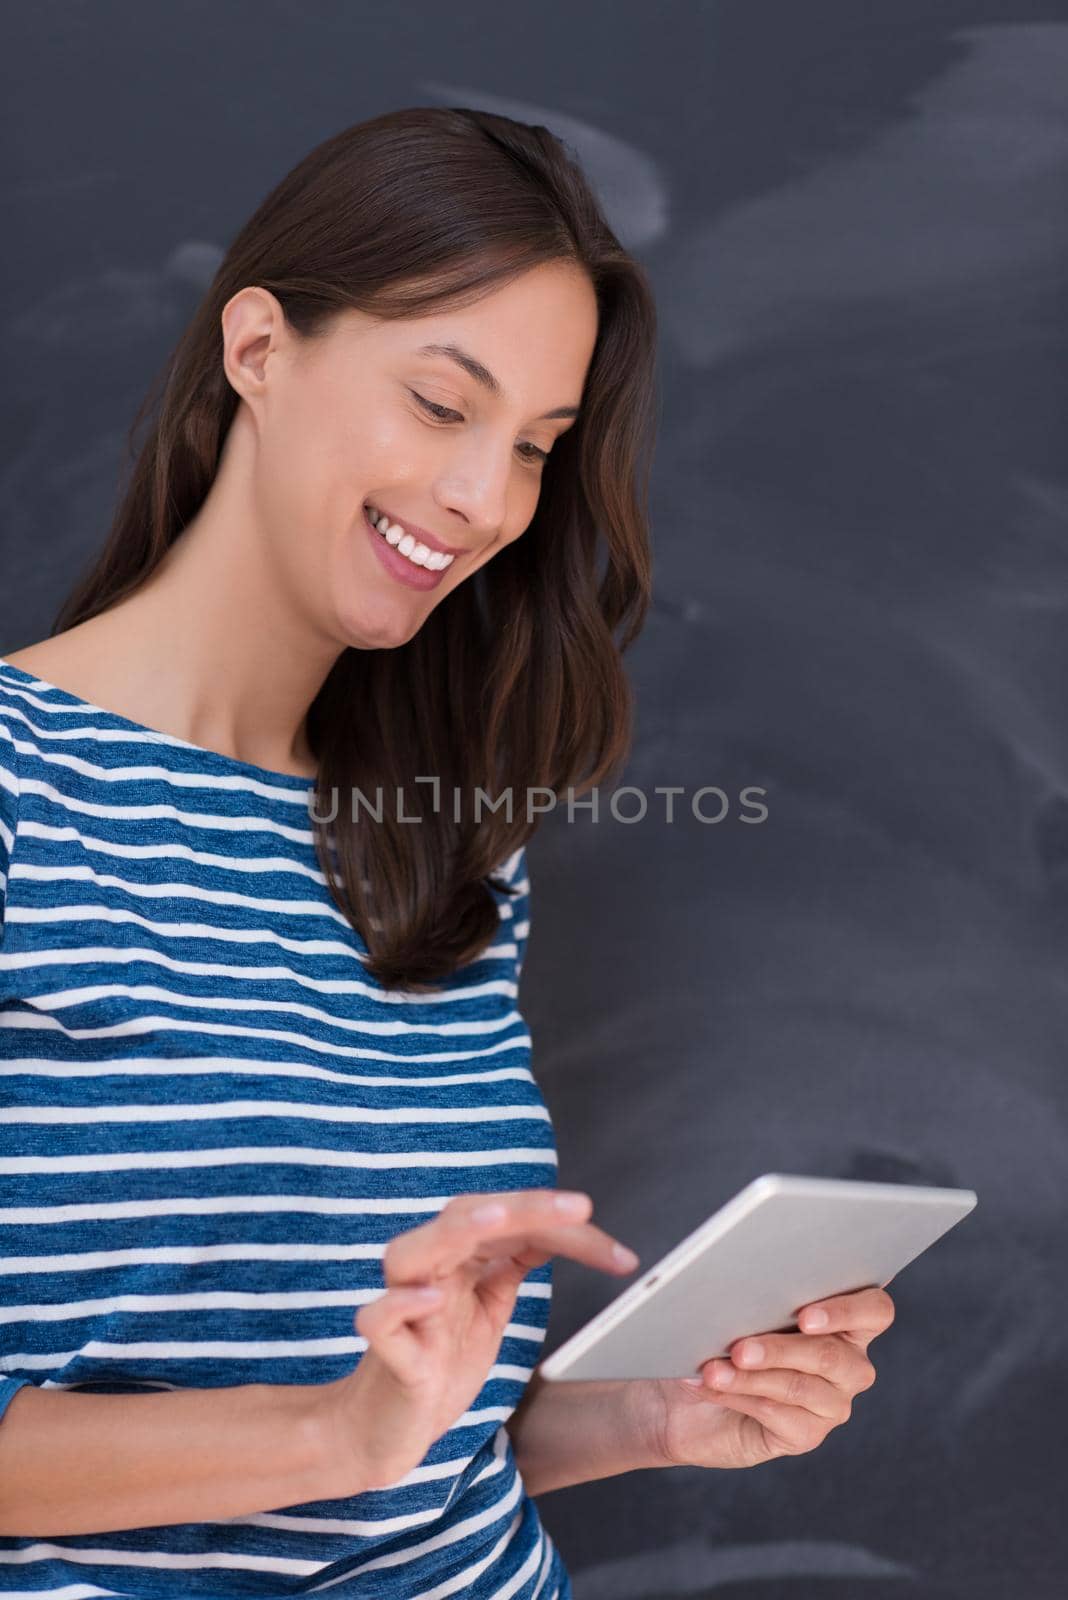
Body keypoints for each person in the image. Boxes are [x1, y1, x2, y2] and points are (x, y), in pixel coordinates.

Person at [0, 106, 893, 1600]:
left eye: (536, 448)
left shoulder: (443, 844)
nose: (485, 502)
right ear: (259, 351)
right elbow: (338, 1442)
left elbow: (424, 1442)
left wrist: (657, 1416)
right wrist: (331, 1433)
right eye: (440, 403)